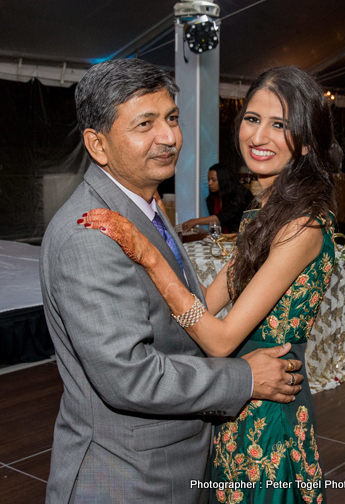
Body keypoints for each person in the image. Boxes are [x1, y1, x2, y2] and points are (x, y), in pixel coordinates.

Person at [40, 59, 304, 504]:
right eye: (145, 124)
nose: (169, 137)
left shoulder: (145, 206)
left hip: (172, 462)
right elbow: (130, 377)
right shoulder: (89, 236)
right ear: (97, 145)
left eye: (172, 118)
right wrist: (243, 377)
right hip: (125, 478)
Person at [182, 163, 253, 233]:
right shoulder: (211, 199)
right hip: (223, 239)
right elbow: (215, 224)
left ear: (223, 179)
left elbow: (222, 217)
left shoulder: (239, 194)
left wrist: (195, 221)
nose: (209, 183)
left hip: (243, 236)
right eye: (208, 179)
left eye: (213, 180)